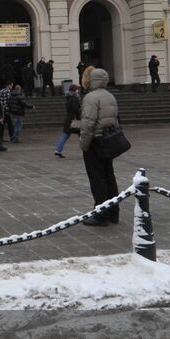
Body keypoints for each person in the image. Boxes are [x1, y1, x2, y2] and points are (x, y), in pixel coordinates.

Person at [78, 68, 121, 226]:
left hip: (95, 142)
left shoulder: (91, 97)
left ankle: (100, 214)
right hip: (108, 142)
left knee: (97, 180)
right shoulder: (110, 96)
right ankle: (113, 212)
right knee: (109, 177)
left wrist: (83, 144)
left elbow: (88, 124)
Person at [55, 84, 81, 157]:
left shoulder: (68, 97)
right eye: (77, 89)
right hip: (75, 120)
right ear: (75, 90)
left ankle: (58, 150)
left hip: (68, 119)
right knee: (82, 134)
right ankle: (87, 150)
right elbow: (75, 109)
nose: (78, 91)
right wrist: (80, 111)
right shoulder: (74, 98)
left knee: (65, 135)